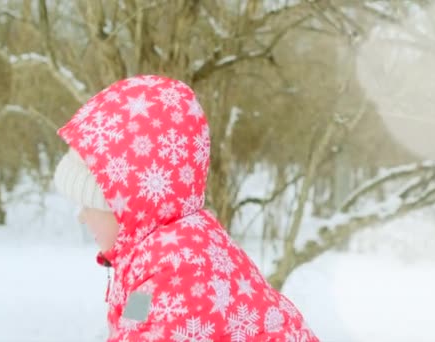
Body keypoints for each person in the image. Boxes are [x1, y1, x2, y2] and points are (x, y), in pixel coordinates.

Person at [52, 75, 319, 342]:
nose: (82, 216)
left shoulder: (175, 270)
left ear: (128, 205)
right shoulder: (158, 258)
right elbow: (134, 328)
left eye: (90, 204)